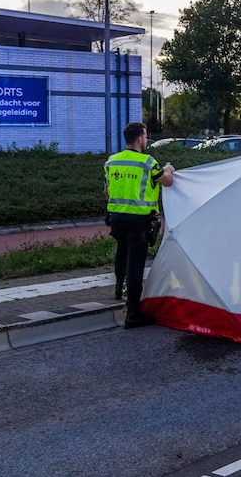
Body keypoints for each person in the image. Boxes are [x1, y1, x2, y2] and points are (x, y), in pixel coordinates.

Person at [104, 121, 174, 329]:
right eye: (145, 136)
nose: (146, 139)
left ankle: (118, 289)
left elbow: (106, 191)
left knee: (121, 250)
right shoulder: (148, 162)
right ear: (140, 138)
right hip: (138, 220)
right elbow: (167, 181)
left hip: (116, 217)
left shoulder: (112, 161)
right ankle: (133, 314)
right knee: (135, 266)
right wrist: (168, 169)